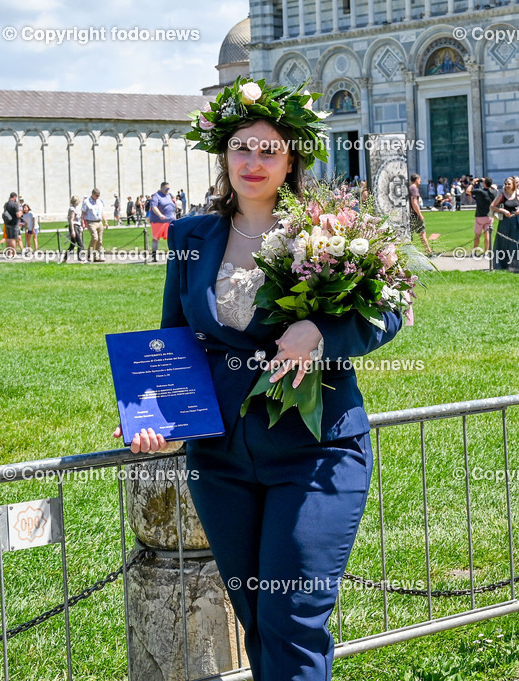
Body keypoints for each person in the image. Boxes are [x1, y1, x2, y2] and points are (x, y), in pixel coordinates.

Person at [116, 78, 402, 681]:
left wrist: (319, 333)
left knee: (293, 618)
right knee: (255, 617)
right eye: (242, 147)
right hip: (219, 458)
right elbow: (174, 338)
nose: (254, 161)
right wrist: (155, 420)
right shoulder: (193, 236)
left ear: (291, 157)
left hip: (315, 450)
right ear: (223, 154)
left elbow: (389, 312)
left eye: (269, 149)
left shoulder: (330, 227)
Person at [490, 177, 519, 273]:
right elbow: (492, 206)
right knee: (503, 243)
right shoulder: (502, 194)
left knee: (517, 243)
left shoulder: (518, 194)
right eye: (506, 183)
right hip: (505, 222)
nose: (507, 186)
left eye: (509, 184)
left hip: (515, 222)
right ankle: (502, 265)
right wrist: (502, 210)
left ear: (513, 185)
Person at [148, 181, 176, 262]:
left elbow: (172, 206)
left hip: (169, 220)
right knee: (156, 238)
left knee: (171, 238)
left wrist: (174, 215)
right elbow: (154, 207)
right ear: (162, 188)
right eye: (166, 188)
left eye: (168, 189)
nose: (167, 190)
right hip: (158, 221)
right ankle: (154, 256)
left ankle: (172, 255)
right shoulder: (156, 196)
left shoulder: (168, 195)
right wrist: (160, 215)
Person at [469, 177, 497, 257]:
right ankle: (486, 252)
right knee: (487, 235)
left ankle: (474, 251)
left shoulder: (480, 191)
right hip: (489, 216)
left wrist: (473, 183)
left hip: (480, 216)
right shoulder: (494, 192)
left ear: (484, 183)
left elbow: (468, 191)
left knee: (477, 235)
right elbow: (496, 191)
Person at [408, 174, 433, 254]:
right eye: (419, 179)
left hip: (411, 214)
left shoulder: (411, 188)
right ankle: (429, 252)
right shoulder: (414, 188)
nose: (421, 181)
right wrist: (420, 214)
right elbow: (414, 203)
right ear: (416, 179)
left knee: (410, 234)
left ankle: (410, 252)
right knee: (422, 233)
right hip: (415, 214)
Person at [81, 188, 106, 262]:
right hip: (91, 222)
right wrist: (83, 222)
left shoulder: (100, 201)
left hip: (99, 222)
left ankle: (97, 256)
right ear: (92, 194)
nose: (98, 197)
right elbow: (83, 213)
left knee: (100, 240)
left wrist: (105, 221)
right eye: (96, 195)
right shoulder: (87, 202)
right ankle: (89, 254)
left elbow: (102, 212)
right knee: (95, 238)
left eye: (98, 195)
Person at [63, 195, 85, 262]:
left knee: (72, 245)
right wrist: (72, 231)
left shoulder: (74, 209)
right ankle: (80, 259)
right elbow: (71, 220)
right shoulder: (72, 209)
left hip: (77, 227)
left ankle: (65, 258)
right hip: (74, 227)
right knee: (80, 244)